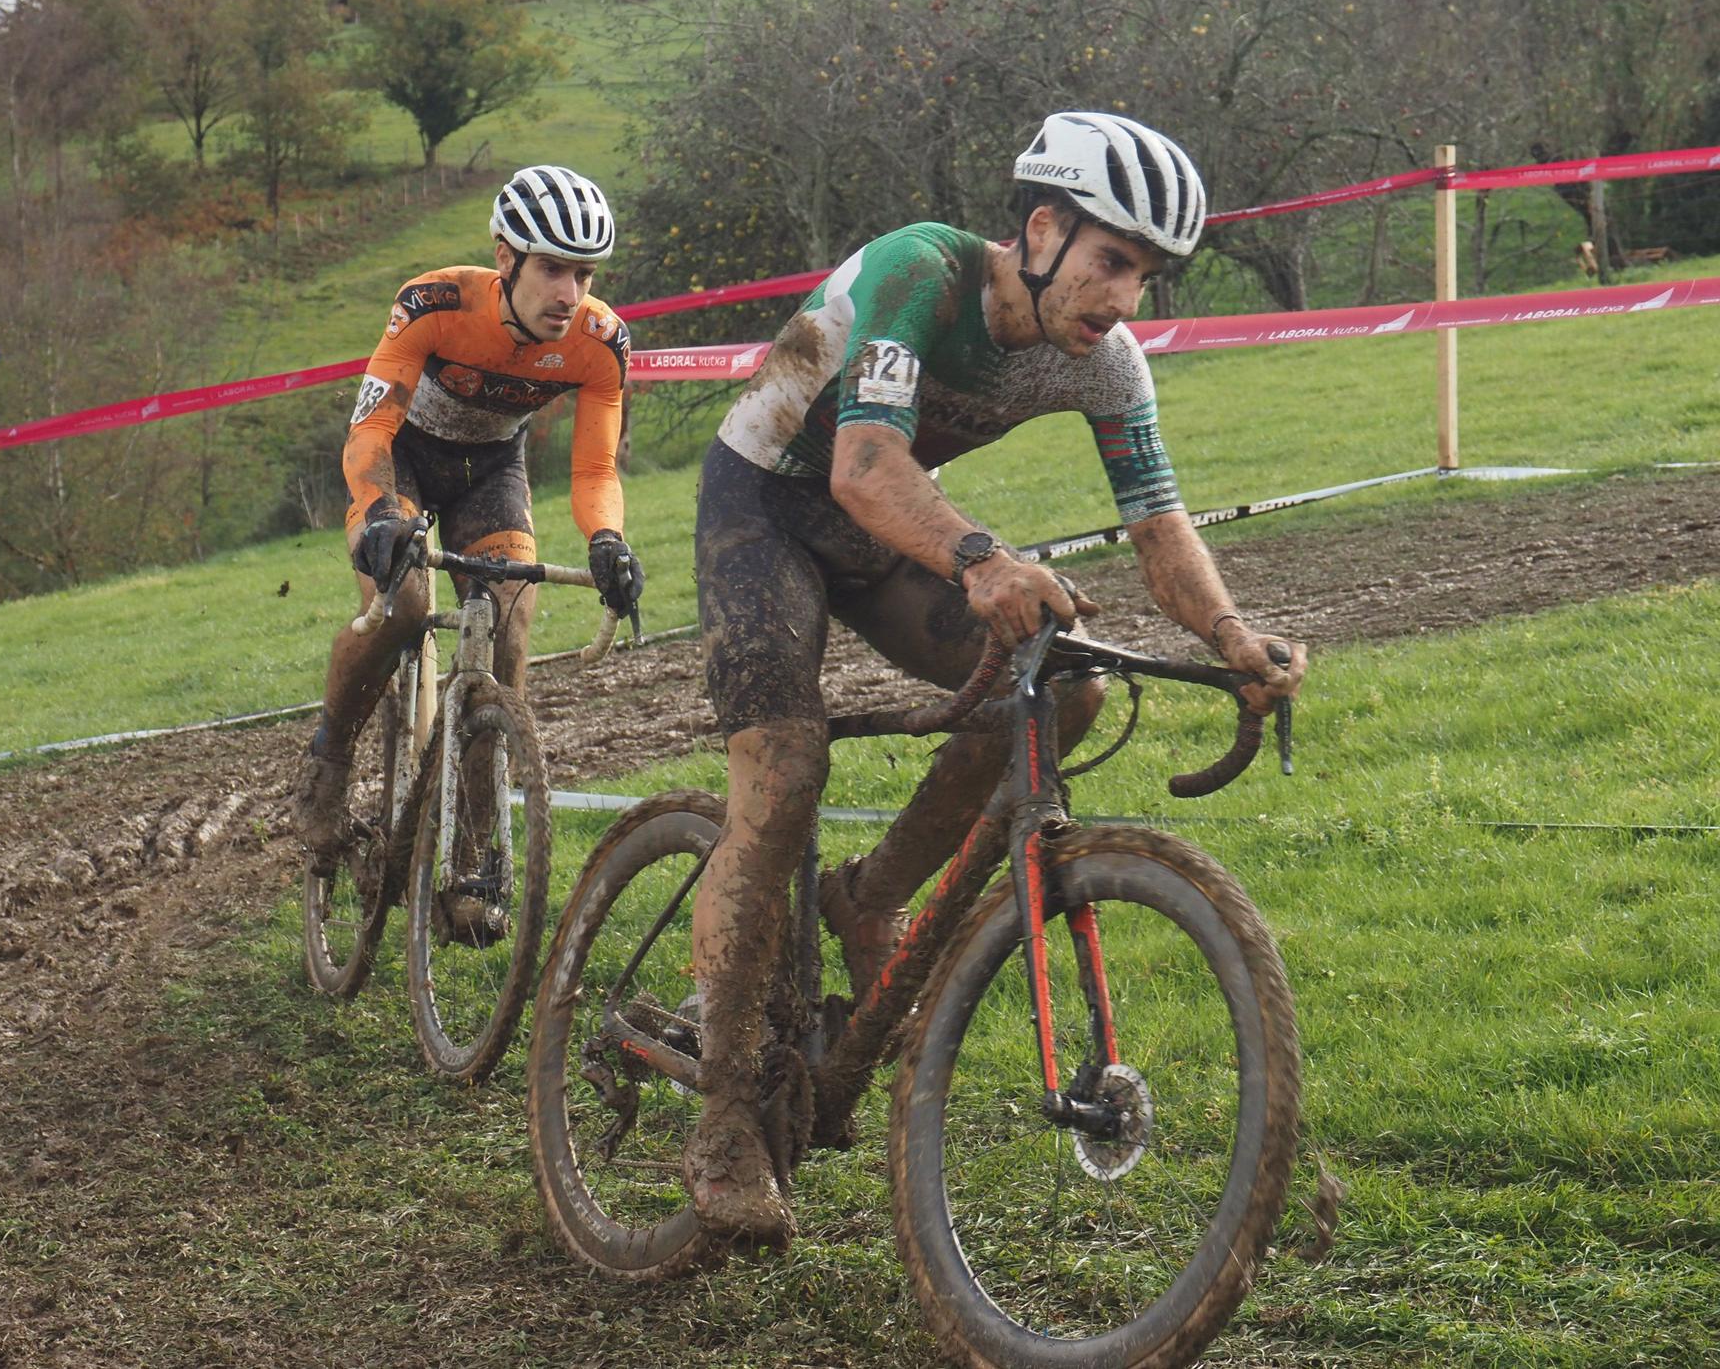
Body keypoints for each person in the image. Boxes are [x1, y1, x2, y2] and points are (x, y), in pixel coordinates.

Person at [686, 111, 1308, 1244]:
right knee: (781, 774)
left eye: (1146, 276)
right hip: (765, 509)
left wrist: (1231, 637)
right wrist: (980, 557)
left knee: (1061, 688)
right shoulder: (917, 273)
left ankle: (866, 898)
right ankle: (723, 1112)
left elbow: (1158, 528)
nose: (1125, 299)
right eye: (1112, 262)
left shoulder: (1105, 363)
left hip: (876, 534)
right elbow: (863, 464)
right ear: (1039, 227)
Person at [291, 165, 645, 877]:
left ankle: (475, 850)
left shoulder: (600, 342)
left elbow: (595, 470)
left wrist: (607, 539)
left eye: (583, 273)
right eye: (552, 269)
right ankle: (328, 760)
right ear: (506, 258)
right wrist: (382, 512)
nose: (569, 294)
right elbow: (371, 429)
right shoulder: (433, 303)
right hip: (404, 461)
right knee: (403, 606)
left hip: (490, 471)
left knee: (511, 623)